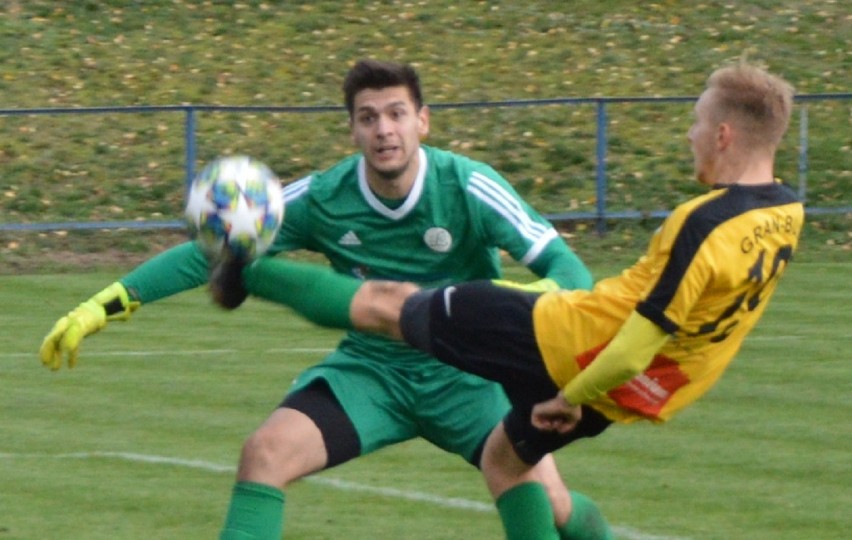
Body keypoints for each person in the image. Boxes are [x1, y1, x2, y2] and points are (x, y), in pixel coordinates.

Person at [198, 61, 802, 533]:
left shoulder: (701, 224)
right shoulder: (786, 213)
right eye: (369, 118)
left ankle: (245, 271)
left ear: (723, 134)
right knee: (510, 467)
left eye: (696, 122)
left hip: (562, 339)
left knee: (387, 304)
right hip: (644, 390)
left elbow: (635, 338)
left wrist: (571, 394)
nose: (691, 133)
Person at [39, 59, 612, 540]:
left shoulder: (468, 185)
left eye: (396, 114)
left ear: (422, 121)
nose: (384, 129)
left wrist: (505, 300)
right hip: (372, 372)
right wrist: (106, 303)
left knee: (542, 496)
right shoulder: (322, 196)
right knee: (264, 454)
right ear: (353, 130)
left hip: (467, 375)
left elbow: (570, 272)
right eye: (368, 118)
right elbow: (218, 250)